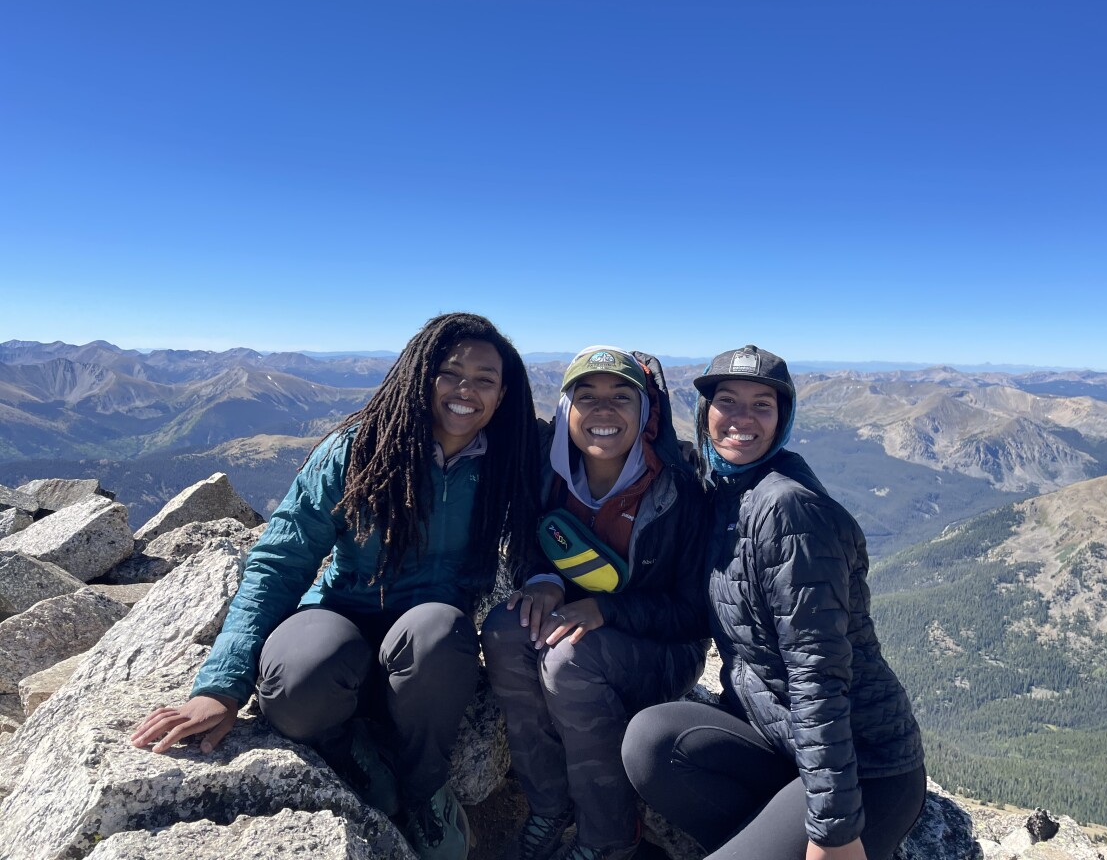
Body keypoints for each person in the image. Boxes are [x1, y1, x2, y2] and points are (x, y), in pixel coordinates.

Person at [131, 312, 542, 860]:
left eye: (484, 379)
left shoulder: (509, 459)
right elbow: (280, 560)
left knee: (440, 631)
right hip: (341, 612)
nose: (466, 390)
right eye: (450, 372)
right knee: (295, 683)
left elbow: (573, 501)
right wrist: (220, 687)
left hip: (426, 641)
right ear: (421, 375)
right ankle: (346, 746)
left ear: (502, 393)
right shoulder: (360, 450)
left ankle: (422, 789)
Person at [622, 344, 926, 860]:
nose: (743, 419)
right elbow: (704, 612)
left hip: (864, 765)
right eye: (727, 401)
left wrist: (834, 832)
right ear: (705, 412)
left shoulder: (786, 510)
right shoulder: (726, 490)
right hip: (778, 743)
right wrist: (602, 613)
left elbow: (817, 673)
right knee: (651, 743)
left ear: (781, 418)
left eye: (762, 405)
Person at [482, 347, 708, 860]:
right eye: (587, 397)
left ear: (645, 412)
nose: (602, 411)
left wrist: (610, 612)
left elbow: (695, 612)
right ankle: (549, 802)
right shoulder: (548, 469)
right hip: (579, 619)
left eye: (620, 397)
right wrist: (543, 580)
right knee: (504, 628)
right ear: (567, 411)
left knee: (569, 664)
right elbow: (526, 540)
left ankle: (609, 837)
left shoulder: (679, 490)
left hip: (663, 646)